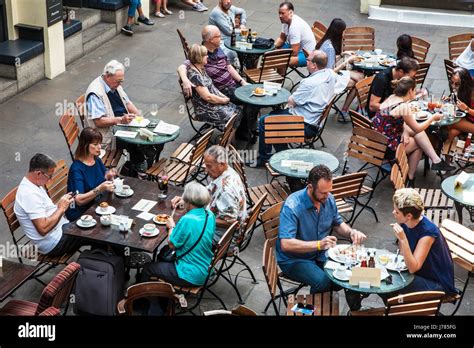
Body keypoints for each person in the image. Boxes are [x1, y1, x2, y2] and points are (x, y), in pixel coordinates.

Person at [276, 165, 367, 294]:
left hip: (319, 255)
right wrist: (319, 244)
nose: (327, 195)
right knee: (323, 281)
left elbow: (337, 223)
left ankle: (344, 306)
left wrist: (351, 232)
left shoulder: (328, 198)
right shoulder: (292, 206)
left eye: (329, 191)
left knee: (345, 274)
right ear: (310, 187)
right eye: (323, 192)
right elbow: (286, 244)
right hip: (294, 259)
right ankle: (315, 308)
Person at [142, 181, 216, 315]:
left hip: (189, 274)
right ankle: (164, 298)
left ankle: (153, 307)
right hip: (206, 267)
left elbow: (172, 244)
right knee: (162, 257)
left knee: (148, 268)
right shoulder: (209, 215)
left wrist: (171, 226)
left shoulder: (187, 219)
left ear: (189, 201)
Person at [256, 50, 336, 166]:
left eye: (308, 60)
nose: (306, 62)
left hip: (305, 123)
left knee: (265, 121)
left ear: (314, 65)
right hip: (314, 119)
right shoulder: (331, 74)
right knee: (274, 114)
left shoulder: (309, 83)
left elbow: (291, 100)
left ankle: (264, 159)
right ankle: (283, 155)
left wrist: (292, 102)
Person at [178, 25, 258, 142]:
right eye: (218, 36)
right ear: (210, 40)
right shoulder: (200, 54)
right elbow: (182, 67)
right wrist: (185, 80)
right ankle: (244, 132)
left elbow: (229, 67)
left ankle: (247, 128)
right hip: (222, 90)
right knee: (251, 101)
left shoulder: (218, 48)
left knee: (254, 98)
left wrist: (242, 81)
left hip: (233, 84)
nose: (221, 38)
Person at [85, 60, 161, 176]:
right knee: (138, 141)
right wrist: (120, 120)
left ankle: (138, 164)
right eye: (118, 81)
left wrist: (139, 116)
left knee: (147, 134)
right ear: (108, 76)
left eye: (121, 81)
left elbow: (127, 103)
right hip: (107, 135)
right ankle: (139, 165)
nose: (120, 84)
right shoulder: (95, 93)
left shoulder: (114, 84)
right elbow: (99, 122)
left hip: (122, 124)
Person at [372, 77, 455, 183]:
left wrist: (406, 132)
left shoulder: (392, 98)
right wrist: (432, 118)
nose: (415, 92)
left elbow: (395, 121)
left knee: (419, 135)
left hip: (377, 140)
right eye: (414, 90)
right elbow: (417, 127)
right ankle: (410, 178)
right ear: (410, 90)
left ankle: (435, 161)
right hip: (386, 148)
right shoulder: (403, 107)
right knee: (419, 144)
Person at [171, 145, 247, 243]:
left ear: (221, 164)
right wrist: (185, 199)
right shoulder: (227, 172)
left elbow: (231, 222)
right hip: (216, 223)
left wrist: (200, 219)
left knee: (183, 230)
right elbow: (210, 190)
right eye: (205, 165)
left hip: (223, 238)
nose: (206, 170)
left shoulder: (226, 191)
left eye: (209, 166)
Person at [13, 154, 83, 257]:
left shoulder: (35, 184)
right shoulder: (29, 195)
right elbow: (43, 229)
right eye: (49, 176)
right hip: (54, 243)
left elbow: (46, 211)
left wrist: (60, 204)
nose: (50, 180)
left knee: (93, 228)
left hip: (60, 230)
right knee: (92, 233)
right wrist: (61, 208)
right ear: (38, 173)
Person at [391, 188, 457, 295]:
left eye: (397, 211)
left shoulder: (428, 233)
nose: (393, 212)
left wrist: (402, 239)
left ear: (409, 216)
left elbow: (413, 268)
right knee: (383, 277)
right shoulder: (405, 223)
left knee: (392, 285)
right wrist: (402, 240)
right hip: (420, 274)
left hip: (436, 284)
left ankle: (396, 310)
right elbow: (404, 256)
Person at [315, 18, 364, 122]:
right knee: (358, 83)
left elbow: (329, 62)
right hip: (327, 80)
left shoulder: (326, 42)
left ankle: (356, 106)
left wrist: (343, 54)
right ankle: (346, 110)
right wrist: (347, 61)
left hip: (323, 75)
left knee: (360, 77)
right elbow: (330, 72)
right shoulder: (330, 47)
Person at [186, 44, 242, 131]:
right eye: (205, 55)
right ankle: (226, 140)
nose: (207, 57)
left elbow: (212, 87)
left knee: (238, 110)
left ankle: (230, 137)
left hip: (212, 103)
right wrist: (224, 100)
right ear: (199, 58)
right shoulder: (194, 75)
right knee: (233, 116)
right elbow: (207, 97)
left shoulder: (201, 68)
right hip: (204, 108)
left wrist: (223, 97)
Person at [65, 128, 117, 221]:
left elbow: (103, 177)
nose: (99, 147)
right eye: (95, 144)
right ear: (85, 146)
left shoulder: (96, 160)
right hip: (82, 213)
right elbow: (79, 200)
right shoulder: (76, 169)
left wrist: (109, 176)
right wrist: (99, 189)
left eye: (100, 144)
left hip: (97, 204)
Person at [274, 2, 316, 68]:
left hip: (306, 54)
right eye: (279, 13)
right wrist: (273, 47)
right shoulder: (285, 21)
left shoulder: (294, 27)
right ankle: (279, 75)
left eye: (283, 13)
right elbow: (282, 38)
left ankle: (280, 76)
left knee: (279, 61)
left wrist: (279, 54)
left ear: (291, 13)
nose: (280, 16)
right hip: (294, 47)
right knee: (271, 55)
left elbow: (294, 52)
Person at [209, 0, 247, 64]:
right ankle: (237, 69)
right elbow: (229, 31)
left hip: (232, 39)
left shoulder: (231, 8)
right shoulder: (216, 13)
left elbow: (242, 11)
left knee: (248, 48)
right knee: (233, 53)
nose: (229, 1)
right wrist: (242, 31)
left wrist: (242, 24)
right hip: (221, 43)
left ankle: (246, 70)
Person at [446, 67, 474, 143]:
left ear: (464, 83)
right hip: (467, 120)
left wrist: (467, 109)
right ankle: (443, 153)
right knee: (452, 132)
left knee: (450, 123)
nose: (453, 86)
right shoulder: (463, 90)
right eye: (452, 82)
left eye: (457, 84)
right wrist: (448, 98)